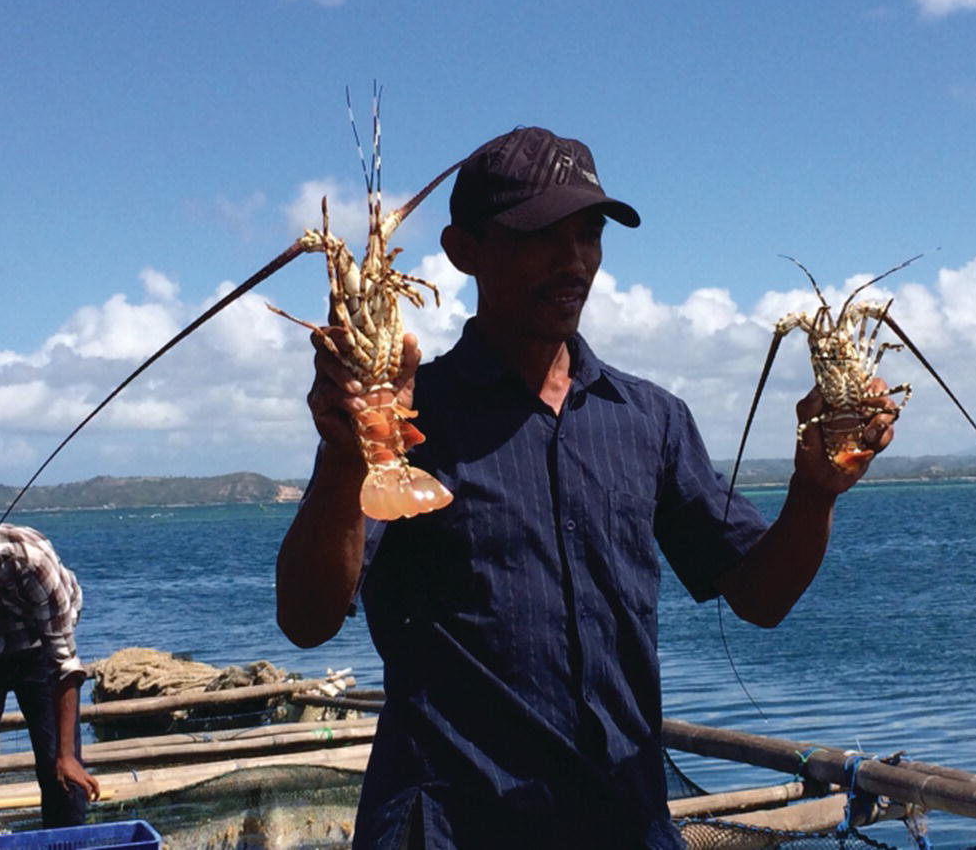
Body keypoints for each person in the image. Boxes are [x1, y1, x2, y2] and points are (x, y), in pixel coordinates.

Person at [276, 126, 895, 849]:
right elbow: (308, 618)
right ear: (462, 251)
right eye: (541, 234)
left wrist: (814, 492)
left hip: (623, 823)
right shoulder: (418, 411)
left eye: (589, 234)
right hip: (446, 827)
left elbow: (759, 596)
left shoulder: (651, 419)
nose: (573, 260)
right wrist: (344, 454)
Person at [0, 480, 101, 838]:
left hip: (39, 646)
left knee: (60, 765)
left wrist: (67, 755)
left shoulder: (29, 559)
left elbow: (65, 662)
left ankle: (67, 841)